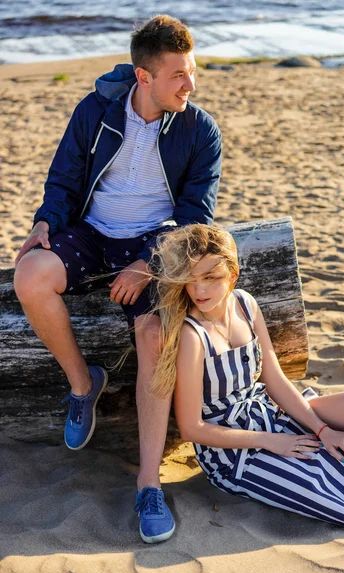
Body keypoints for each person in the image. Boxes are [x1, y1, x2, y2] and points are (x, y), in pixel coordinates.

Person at [13, 15, 222, 544]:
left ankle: (148, 485)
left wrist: (148, 260)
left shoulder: (200, 130)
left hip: (155, 242)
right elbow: (63, 179)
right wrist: (43, 224)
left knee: (153, 334)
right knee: (31, 275)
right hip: (92, 232)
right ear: (143, 77)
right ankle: (84, 385)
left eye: (192, 71)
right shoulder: (96, 110)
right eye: (178, 75)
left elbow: (197, 213)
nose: (190, 85)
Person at [149, 224, 344, 529]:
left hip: (268, 413)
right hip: (235, 452)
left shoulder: (245, 304)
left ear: (233, 276)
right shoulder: (192, 335)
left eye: (210, 278)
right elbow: (191, 429)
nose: (199, 290)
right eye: (192, 279)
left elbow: (275, 380)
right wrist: (273, 442)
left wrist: (323, 431)